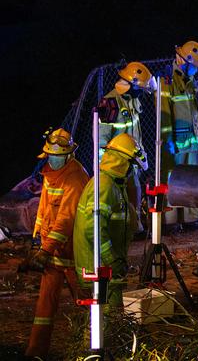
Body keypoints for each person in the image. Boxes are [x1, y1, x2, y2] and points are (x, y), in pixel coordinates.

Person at [25, 128, 89, 359]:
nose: (52, 159)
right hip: (50, 251)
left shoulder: (75, 177)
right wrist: (36, 241)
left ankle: (89, 348)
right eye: (50, 155)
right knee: (44, 306)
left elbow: (66, 219)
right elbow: (43, 211)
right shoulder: (50, 173)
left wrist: (45, 249)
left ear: (69, 155)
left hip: (71, 253)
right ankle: (35, 352)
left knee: (84, 300)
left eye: (57, 156)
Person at [74, 133, 148, 308]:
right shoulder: (104, 187)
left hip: (105, 269)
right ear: (122, 162)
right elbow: (93, 229)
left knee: (108, 321)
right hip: (99, 269)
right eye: (132, 165)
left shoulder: (114, 184)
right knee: (106, 322)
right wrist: (112, 260)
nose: (132, 170)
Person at [97, 61, 157, 234]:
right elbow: (101, 138)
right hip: (116, 164)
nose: (142, 92)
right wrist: (105, 166)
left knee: (135, 190)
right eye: (140, 88)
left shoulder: (131, 100)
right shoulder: (110, 104)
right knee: (119, 197)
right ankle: (120, 228)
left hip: (131, 160)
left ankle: (134, 224)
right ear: (130, 84)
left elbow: (136, 131)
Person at [159, 40, 198, 226]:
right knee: (173, 180)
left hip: (191, 142)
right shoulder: (166, 81)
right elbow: (163, 115)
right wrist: (167, 140)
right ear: (184, 62)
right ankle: (171, 221)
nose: (196, 71)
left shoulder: (190, 83)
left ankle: (191, 218)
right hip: (176, 143)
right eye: (194, 67)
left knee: (192, 180)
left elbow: (196, 114)